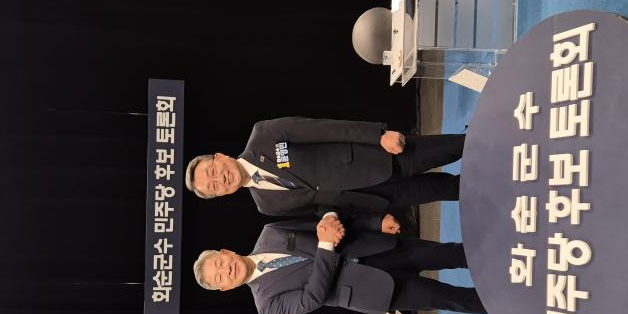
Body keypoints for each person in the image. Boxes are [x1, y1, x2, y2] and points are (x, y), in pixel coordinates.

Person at [192, 214, 484, 314]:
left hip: (374, 247)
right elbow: (312, 298)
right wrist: (326, 246)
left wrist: (373, 223)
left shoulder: (271, 232)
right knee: (454, 299)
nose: (226, 270)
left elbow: (322, 221)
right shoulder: (266, 304)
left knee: (452, 253)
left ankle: (505, 256)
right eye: (220, 278)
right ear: (226, 288)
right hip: (373, 290)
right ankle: (506, 302)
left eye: (220, 263)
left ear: (226, 252)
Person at [184, 117, 464, 217]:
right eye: (214, 187)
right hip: (374, 197)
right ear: (222, 195)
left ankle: (494, 141)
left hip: (377, 156)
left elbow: (325, 129)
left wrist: (377, 135)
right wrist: (332, 216)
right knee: (450, 190)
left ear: (220, 156)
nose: (219, 179)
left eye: (212, 172)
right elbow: (318, 209)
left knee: (456, 147)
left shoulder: (264, 135)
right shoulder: (266, 205)